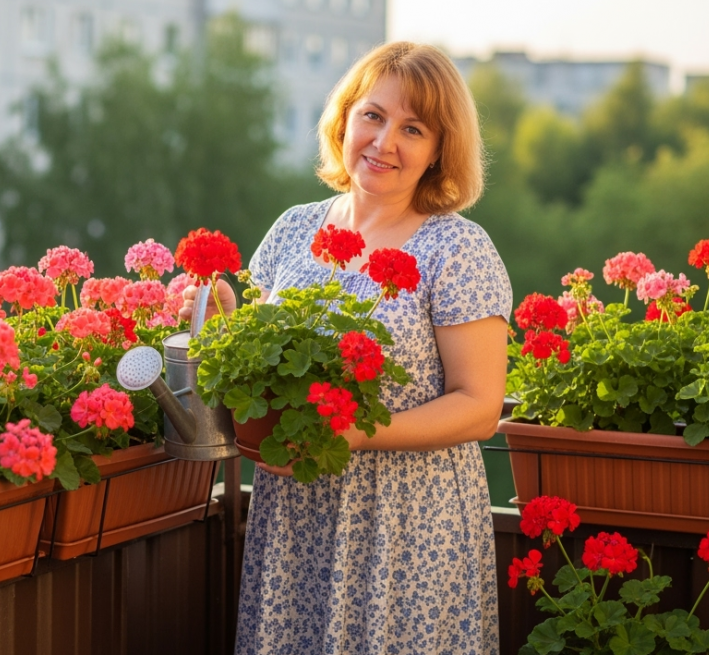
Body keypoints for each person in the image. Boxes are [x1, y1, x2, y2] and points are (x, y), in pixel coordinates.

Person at [182, 41, 510, 653]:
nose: (385, 141)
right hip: (296, 520)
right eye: (373, 115)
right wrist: (221, 318)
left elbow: (480, 405)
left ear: (441, 151)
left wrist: (356, 432)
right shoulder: (294, 229)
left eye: (413, 128)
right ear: (344, 119)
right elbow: (264, 369)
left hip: (409, 529)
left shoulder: (457, 248)